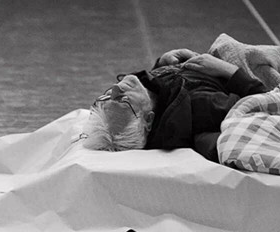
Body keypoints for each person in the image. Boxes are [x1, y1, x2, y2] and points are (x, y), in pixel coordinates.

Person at [83, 48, 268, 162]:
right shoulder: (204, 106)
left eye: (107, 97)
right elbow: (265, 101)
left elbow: (159, 101)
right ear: (149, 120)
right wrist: (228, 70)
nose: (116, 88)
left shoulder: (149, 105)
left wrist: (162, 65)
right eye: (123, 100)